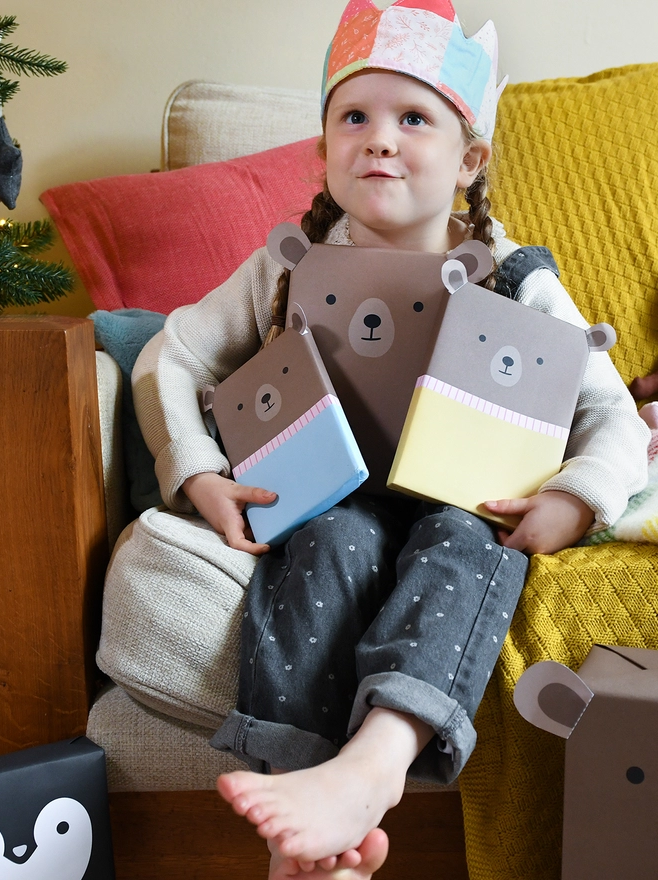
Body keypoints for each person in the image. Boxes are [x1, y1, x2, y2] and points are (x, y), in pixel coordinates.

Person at [132, 1, 650, 877]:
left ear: (468, 158)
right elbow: (170, 355)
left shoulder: (516, 274)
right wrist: (198, 472)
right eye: (354, 117)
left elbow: (612, 413)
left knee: (461, 546)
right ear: (323, 149)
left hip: (464, 504)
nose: (380, 139)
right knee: (327, 542)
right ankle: (303, 832)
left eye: (413, 118)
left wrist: (574, 497)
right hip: (334, 498)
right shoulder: (287, 262)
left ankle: (372, 767)